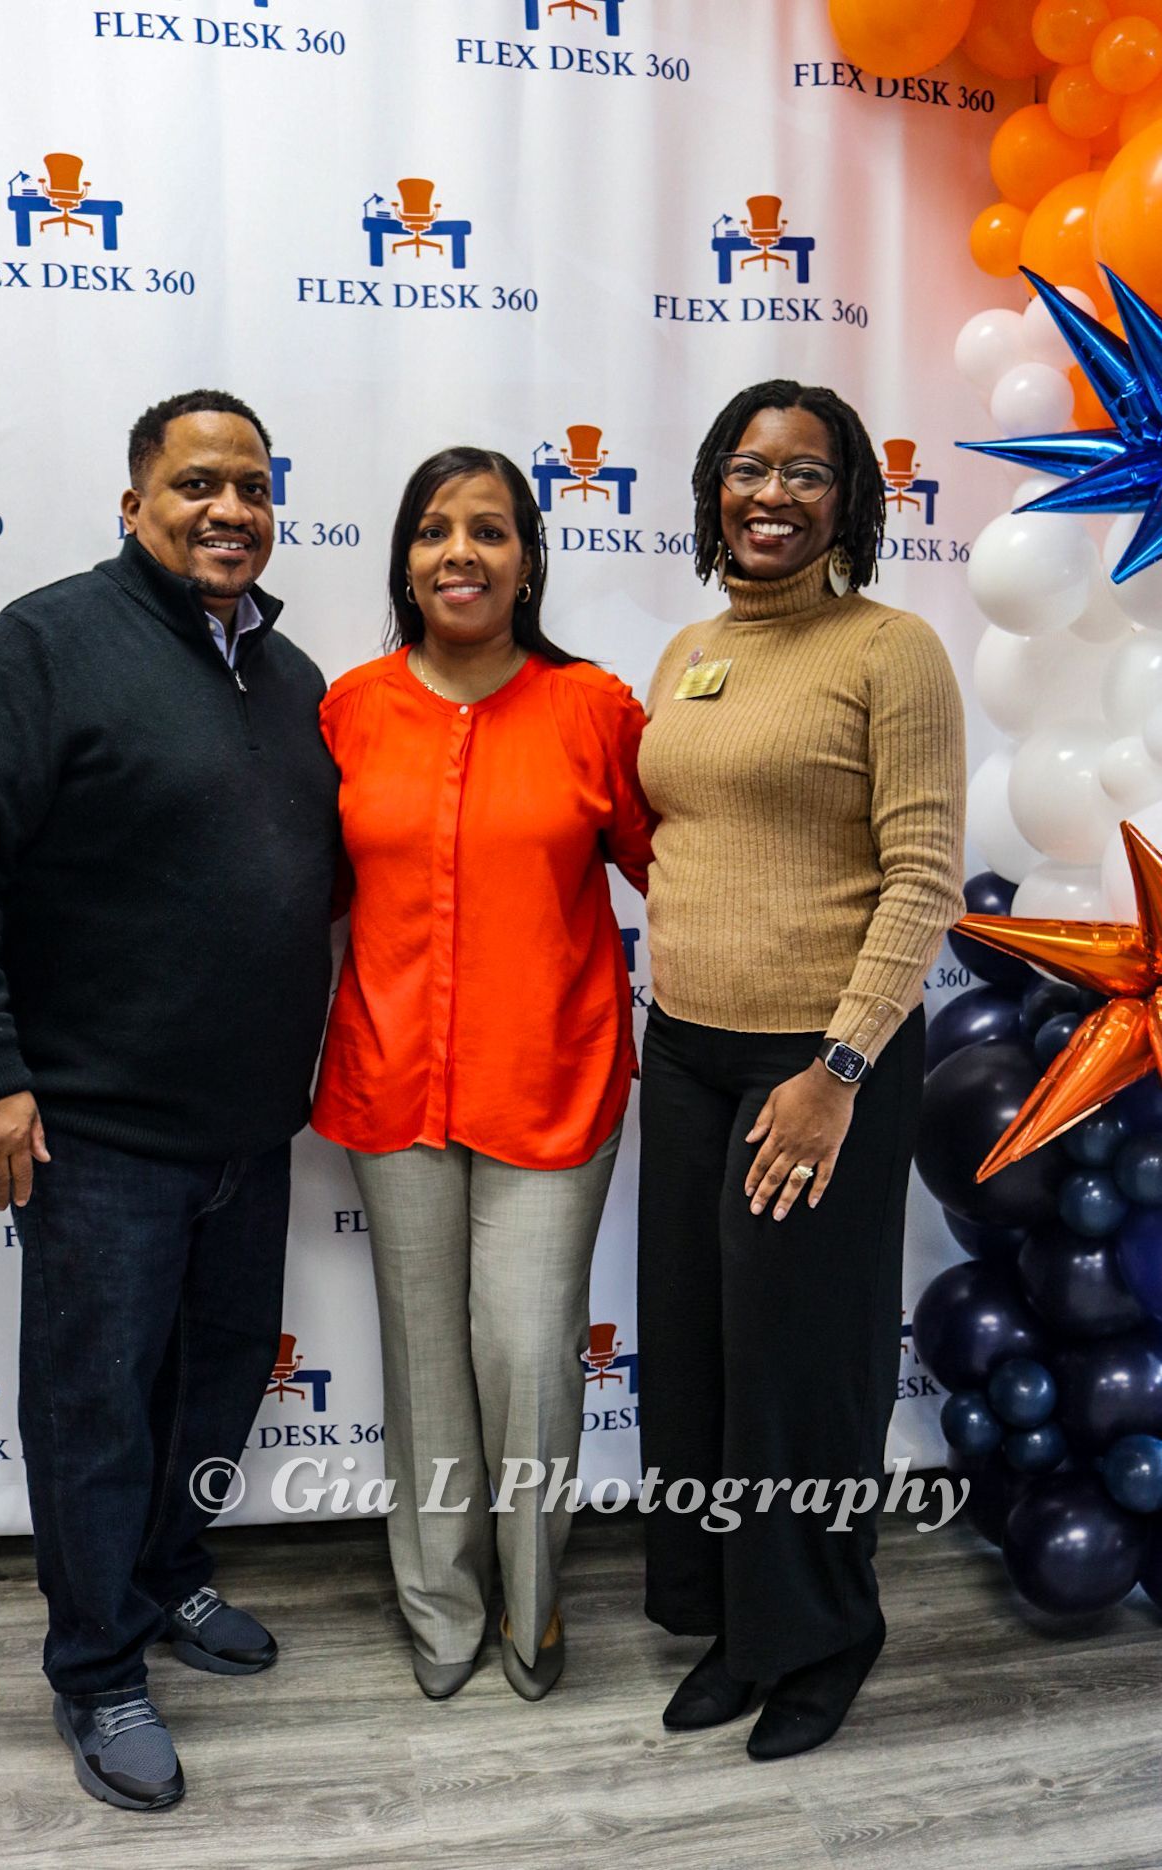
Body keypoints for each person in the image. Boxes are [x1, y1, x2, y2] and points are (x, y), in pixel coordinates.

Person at [0, 390, 339, 1811]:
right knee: (96, 1407)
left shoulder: (287, 675)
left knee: (211, 1387)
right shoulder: (46, 643)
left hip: (247, 1128)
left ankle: (168, 1579)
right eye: (195, 484)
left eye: (252, 487)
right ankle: (96, 1667)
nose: (228, 509)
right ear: (134, 503)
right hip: (94, 1132)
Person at [636, 381, 965, 1760]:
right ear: (713, 484)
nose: (770, 495)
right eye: (747, 468)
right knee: (705, 1362)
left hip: (819, 1061)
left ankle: (822, 1633)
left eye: (806, 474)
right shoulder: (687, 649)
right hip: (690, 1052)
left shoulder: (889, 651)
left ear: (850, 500)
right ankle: (732, 1618)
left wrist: (834, 1066)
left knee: (803, 1371)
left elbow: (922, 874)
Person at [311, 446, 653, 1702]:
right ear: (404, 559)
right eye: (434, 530)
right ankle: (439, 1602)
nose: (460, 551)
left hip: (550, 1080)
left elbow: (671, 863)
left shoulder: (593, 709)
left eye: (490, 530)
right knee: (423, 1356)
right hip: (392, 1080)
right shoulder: (347, 708)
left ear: (527, 560)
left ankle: (532, 1597)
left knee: (524, 1350)